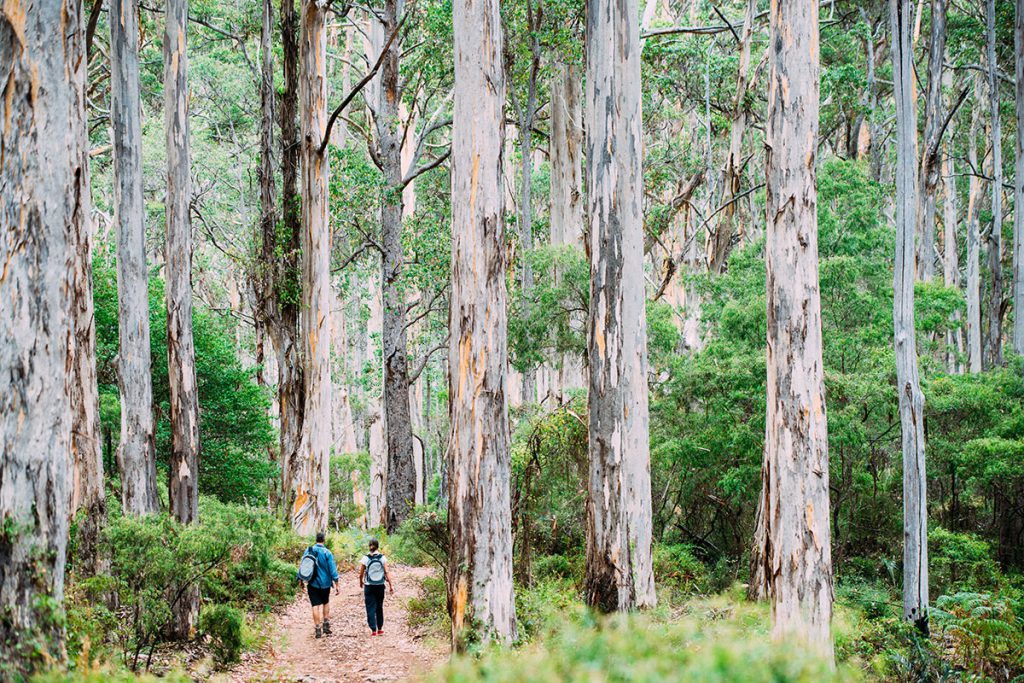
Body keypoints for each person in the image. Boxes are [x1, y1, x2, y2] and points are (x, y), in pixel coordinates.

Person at [297, 531, 340, 639]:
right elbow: (332, 569)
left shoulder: (309, 550)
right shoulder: (327, 552)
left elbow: (303, 565)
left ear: (316, 539)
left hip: (312, 583)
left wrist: (300, 579)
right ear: (324, 540)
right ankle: (326, 625)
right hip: (325, 583)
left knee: (315, 605)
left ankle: (317, 629)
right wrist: (337, 583)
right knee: (325, 602)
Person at [358, 537, 394, 636]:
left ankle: (373, 630)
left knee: (370, 607)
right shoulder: (382, 558)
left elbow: (360, 573)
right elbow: (387, 572)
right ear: (378, 546)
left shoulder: (365, 558)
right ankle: (380, 629)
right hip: (380, 585)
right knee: (379, 606)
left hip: (369, 586)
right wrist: (391, 585)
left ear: (369, 547)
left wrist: (361, 582)